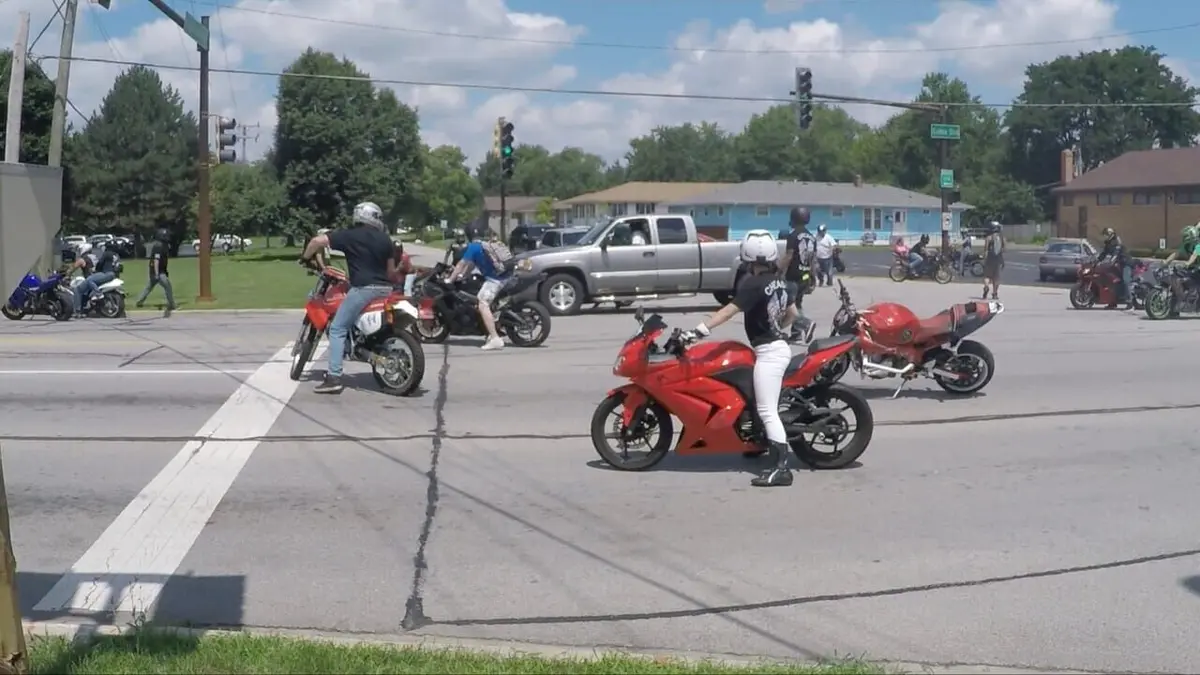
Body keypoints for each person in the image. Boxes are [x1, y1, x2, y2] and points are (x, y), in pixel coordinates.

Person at [680, 230, 798, 488]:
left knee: (768, 410)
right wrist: (776, 328)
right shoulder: (779, 280)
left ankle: (781, 469)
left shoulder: (753, 284)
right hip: (774, 347)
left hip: (769, 353)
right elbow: (793, 313)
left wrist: (700, 329)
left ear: (747, 255)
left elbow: (729, 311)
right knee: (754, 401)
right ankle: (756, 443)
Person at [300, 201, 397, 394]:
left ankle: (334, 376)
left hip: (363, 288)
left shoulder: (350, 236)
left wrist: (305, 258)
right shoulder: (386, 239)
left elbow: (316, 242)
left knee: (337, 328)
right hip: (386, 289)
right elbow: (391, 271)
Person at [449, 223, 511, 351]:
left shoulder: (472, 247)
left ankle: (495, 338)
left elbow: (461, 264)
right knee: (487, 301)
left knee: (482, 303)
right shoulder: (486, 243)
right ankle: (491, 330)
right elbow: (471, 265)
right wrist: (463, 276)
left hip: (496, 279)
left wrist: (450, 279)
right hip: (507, 275)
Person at [778, 206, 816, 343]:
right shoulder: (812, 237)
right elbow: (812, 259)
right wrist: (813, 277)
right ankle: (796, 333)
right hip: (805, 276)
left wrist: (778, 270)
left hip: (793, 276)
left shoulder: (793, 236)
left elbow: (789, 256)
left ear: (794, 218)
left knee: (787, 305)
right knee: (797, 303)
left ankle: (805, 324)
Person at [134, 228, 178, 316]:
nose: (167, 237)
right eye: (166, 236)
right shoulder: (159, 246)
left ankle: (139, 302)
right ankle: (172, 304)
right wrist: (157, 273)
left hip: (157, 271)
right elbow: (156, 260)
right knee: (167, 286)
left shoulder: (162, 245)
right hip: (158, 272)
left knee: (149, 287)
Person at [1159, 223, 1200, 315]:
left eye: (1185, 236)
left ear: (1191, 236)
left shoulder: (1198, 245)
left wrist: (1188, 263)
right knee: (1177, 281)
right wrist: (1166, 261)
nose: (1184, 238)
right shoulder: (1186, 245)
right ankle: (1175, 308)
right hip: (1193, 269)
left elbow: (1195, 255)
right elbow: (1176, 253)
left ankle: (1193, 303)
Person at [72, 242, 119, 314]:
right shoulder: (114, 255)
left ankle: (77, 310)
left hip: (105, 273)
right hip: (113, 274)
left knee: (79, 288)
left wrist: (97, 270)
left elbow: (100, 263)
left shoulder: (83, 259)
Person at [1096, 227, 1131, 309]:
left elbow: (1116, 253)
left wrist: (1111, 262)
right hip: (1118, 264)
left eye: (1105, 235)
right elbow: (1103, 254)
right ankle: (1113, 301)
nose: (1104, 236)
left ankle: (1130, 301)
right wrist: (1096, 261)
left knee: (1126, 281)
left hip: (1126, 263)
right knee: (1111, 280)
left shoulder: (1116, 242)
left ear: (1110, 234)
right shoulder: (1108, 244)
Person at [981, 221, 1005, 300]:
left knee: (987, 275)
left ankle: (986, 286)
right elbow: (1003, 249)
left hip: (989, 259)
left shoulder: (989, 238)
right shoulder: (1002, 238)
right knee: (996, 278)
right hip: (998, 259)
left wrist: (984, 259)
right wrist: (1002, 260)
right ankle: (995, 293)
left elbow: (985, 250)